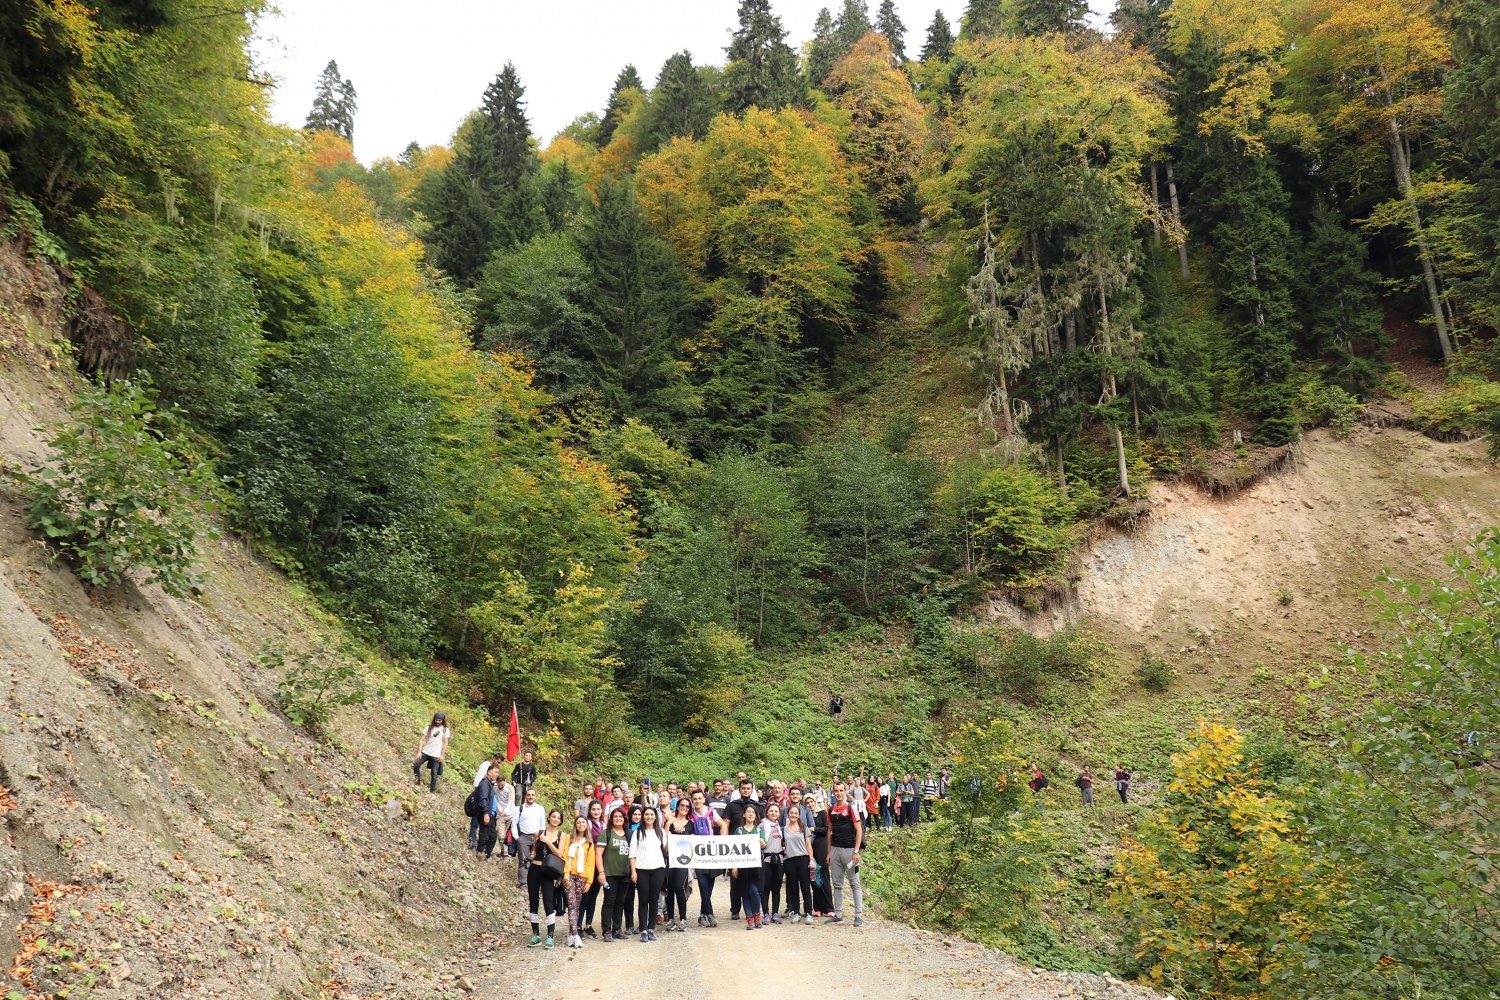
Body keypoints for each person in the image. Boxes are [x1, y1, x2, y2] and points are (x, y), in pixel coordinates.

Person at [527, 808, 566, 949]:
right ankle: (536, 934)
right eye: (553, 817)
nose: (555, 819)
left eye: (558, 818)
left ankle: (550, 936)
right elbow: (535, 851)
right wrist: (529, 858)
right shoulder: (539, 833)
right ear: (549, 818)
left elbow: (560, 853)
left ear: (560, 821)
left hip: (548, 871)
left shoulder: (561, 835)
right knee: (533, 902)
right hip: (534, 869)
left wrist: (548, 842)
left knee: (548, 902)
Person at [826, 783, 864, 926]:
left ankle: (858, 916)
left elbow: (859, 830)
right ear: (833, 792)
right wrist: (829, 852)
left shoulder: (851, 808)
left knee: (855, 883)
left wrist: (856, 851)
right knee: (837, 883)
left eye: (841, 790)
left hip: (850, 850)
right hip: (835, 849)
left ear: (845, 791)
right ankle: (838, 914)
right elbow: (829, 832)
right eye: (836, 791)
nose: (839, 793)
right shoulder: (831, 810)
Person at [629, 806, 668, 942]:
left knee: (654, 899)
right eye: (647, 814)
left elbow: (665, 849)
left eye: (652, 814)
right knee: (643, 900)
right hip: (642, 870)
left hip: (658, 869)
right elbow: (632, 854)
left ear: (655, 817)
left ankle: (651, 928)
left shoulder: (661, 832)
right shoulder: (638, 833)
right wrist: (633, 871)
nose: (649, 817)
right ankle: (643, 929)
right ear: (643, 816)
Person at [688, 789, 727, 927]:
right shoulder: (690, 815)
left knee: (709, 885)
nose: (698, 801)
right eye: (695, 799)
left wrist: (721, 841)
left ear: (704, 799)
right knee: (703, 885)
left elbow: (723, 825)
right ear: (692, 801)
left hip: (711, 854)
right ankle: (710, 914)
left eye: (700, 798)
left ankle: (702, 915)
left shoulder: (711, 812)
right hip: (697, 855)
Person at [596, 807, 631, 942]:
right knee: (609, 901)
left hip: (625, 874)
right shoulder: (606, 833)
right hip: (610, 874)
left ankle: (617, 928)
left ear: (624, 818)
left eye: (620, 817)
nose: (618, 819)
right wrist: (601, 872)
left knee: (620, 901)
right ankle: (606, 930)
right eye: (615, 816)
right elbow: (598, 854)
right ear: (611, 818)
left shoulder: (629, 834)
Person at [730, 802, 765, 929]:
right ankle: (749, 919)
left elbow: (764, 845)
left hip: (756, 866)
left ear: (756, 815)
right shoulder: (738, 831)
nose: (750, 814)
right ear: (744, 814)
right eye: (748, 812)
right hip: (743, 866)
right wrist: (734, 866)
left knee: (755, 891)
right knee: (744, 891)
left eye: (753, 812)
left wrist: (762, 843)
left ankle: (757, 915)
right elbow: (733, 849)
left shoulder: (759, 829)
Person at [563, 815, 596, 949]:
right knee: (571, 904)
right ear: (575, 825)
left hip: (582, 876)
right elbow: (565, 856)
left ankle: (571, 934)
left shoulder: (589, 843)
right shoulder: (568, 839)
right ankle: (576, 934)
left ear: (587, 825)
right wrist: (565, 874)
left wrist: (589, 882)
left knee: (576, 906)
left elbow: (590, 863)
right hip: (570, 875)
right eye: (579, 822)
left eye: (583, 822)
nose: (581, 824)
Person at [662, 797, 693, 932]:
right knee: (669, 889)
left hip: (683, 860)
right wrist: (669, 825)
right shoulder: (670, 822)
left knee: (679, 887)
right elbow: (665, 847)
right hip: (669, 859)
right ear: (678, 806)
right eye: (682, 805)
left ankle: (683, 918)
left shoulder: (691, 824)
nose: (684, 808)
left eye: (687, 806)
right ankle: (670, 919)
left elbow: (692, 845)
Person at [783, 804, 814, 924]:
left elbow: (808, 845)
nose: (793, 815)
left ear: (799, 815)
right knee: (793, 888)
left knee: (805, 887)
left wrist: (811, 859)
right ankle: (796, 912)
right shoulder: (783, 829)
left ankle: (809, 913)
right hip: (789, 860)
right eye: (791, 813)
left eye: (796, 813)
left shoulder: (803, 828)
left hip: (803, 859)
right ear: (788, 814)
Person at [579, 800, 606, 937]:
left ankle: (588, 924)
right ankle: (578, 925)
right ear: (590, 811)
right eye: (593, 809)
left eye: (598, 809)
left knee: (594, 896)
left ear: (602, 810)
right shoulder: (588, 824)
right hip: (588, 863)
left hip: (600, 864)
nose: (596, 812)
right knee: (585, 895)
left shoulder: (604, 825)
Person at [514, 788, 546, 888]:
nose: (531, 797)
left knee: (537, 860)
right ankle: (523, 883)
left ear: (535, 796)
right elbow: (514, 823)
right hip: (524, 836)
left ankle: (536, 882)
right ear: (525, 796)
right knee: (523, 860)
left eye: (532, 795)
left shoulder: (540, 808)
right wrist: (517, 838)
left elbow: (542, 824)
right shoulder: (519, 809)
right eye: (529, 795)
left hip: (537, 837)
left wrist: (541, 836)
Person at [760, 802, 785, 923]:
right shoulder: (762, 826)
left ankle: (775, 913)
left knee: (776, 888)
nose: (773, 813)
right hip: (767, 860)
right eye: (771, 811)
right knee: (765, 888)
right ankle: (765, 913)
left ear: (779, 814)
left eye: (776, 811)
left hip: (779, 860)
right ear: (767, 812)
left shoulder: (780, 828)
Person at [412, 712, 449, 793]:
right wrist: (419, 752)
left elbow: (446, 743)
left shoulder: (445, 730)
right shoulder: (429, 728)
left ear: (442, 721)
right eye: (436, 720)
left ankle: (432, 790)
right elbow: (422, 739)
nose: (438, 722)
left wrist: (442, 755)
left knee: (434, 773)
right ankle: (417, 781)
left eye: (440, 720)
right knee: (416, 764)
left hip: (436, 754)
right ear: (434, 719)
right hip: (426, 752)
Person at [472, 763, 501, 859]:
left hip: (491, 814)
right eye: (495, 772)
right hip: (486, 813)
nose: (497, 774)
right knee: (484, 835)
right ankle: (480, 854)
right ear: (489, 772)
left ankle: (486, 854)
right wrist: (485, 813)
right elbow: (482, 799)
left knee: (492, 836)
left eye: (498, 773)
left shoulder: (490, 784)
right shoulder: (484, 783)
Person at [811, 796, 832, 916]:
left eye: (811, 802)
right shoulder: (806, 816)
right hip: (811, 849)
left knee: (824, 878)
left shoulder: (822, 813)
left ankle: (829, 908)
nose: (810, 804)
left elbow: (826, 829)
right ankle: (817, 908)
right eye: (807, 802)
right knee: (814, 879)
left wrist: (814, 829)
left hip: (822, 847)